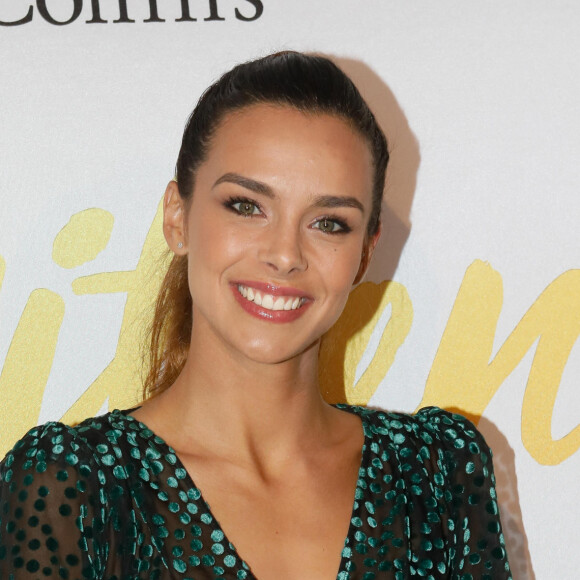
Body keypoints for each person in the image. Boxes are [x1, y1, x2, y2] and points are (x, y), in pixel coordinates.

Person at [0, 51, 511, 579]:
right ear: (177, 217)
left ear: (364, 251)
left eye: (330, 222)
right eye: (246, 206)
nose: (285, 254)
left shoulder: (436, 475)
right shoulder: (73, 485)